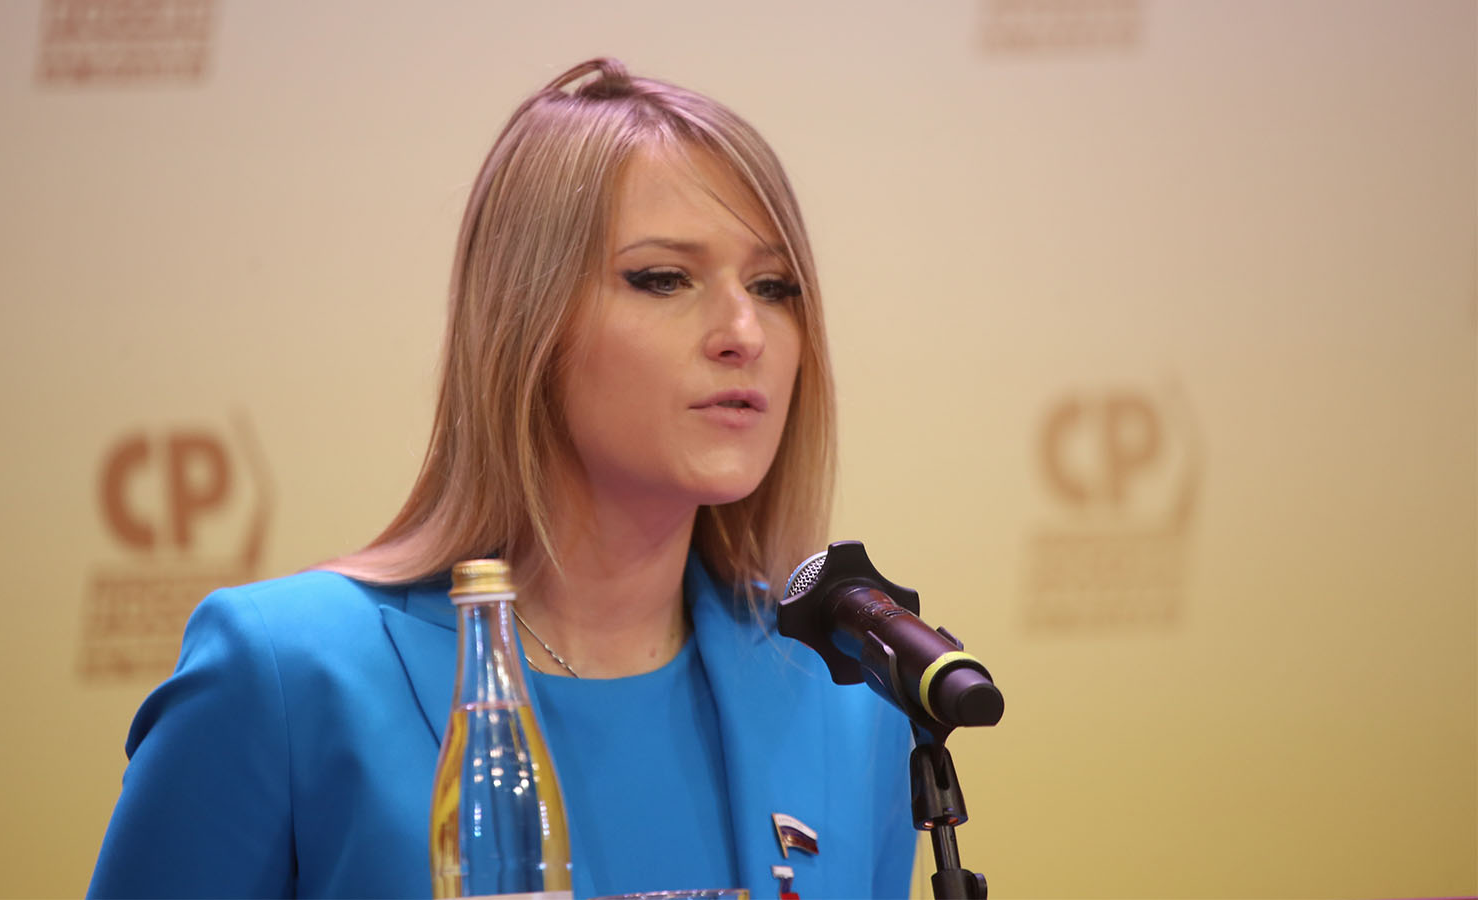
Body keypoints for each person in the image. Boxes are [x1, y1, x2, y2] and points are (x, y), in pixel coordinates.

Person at [88, 58, 914, 899]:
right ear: (527, 320)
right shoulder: (285, 676)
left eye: (774, 287)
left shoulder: (848, 697)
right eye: (664, 278)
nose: (745, 332)